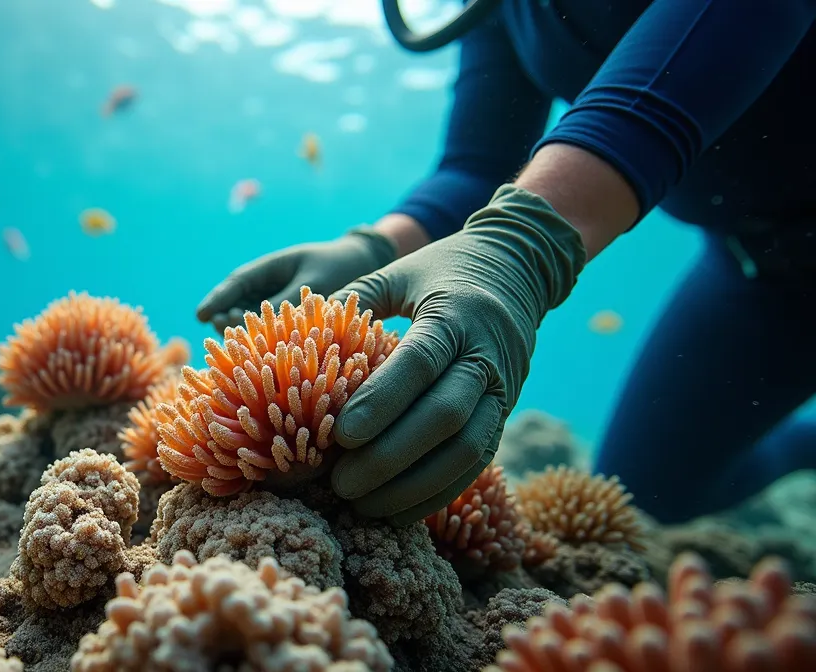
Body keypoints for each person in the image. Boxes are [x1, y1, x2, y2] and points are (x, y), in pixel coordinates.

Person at [196, 0, 816, 526]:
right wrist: (378, 246)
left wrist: (518, 247)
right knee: (653, 493)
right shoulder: (501, 10)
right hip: (759, 267)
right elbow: (476, 165)